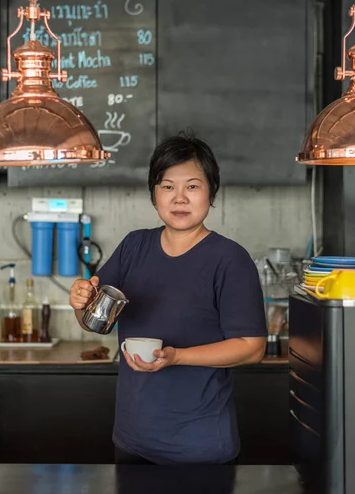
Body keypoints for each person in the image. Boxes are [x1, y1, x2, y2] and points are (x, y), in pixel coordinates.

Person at [69, 132, 267, 465]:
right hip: (133, 440)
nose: (179, 198)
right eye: (167, 186)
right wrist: (81, 301)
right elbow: (96, 322)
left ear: (211, 193)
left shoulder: (229, 259)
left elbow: (252, 347)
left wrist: (177, 357)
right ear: (154, 195)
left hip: (200, 447)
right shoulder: (134, 247)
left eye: (192, 186)